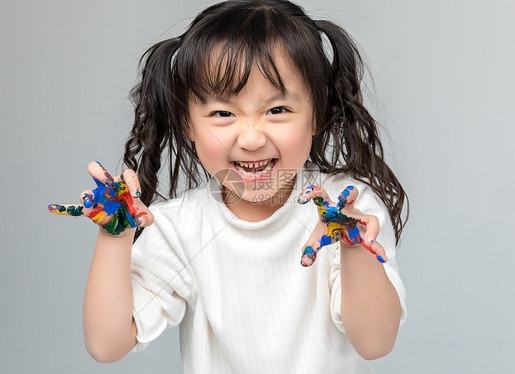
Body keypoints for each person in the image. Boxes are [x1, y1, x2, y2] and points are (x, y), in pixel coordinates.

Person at [49, 0, 409, 372]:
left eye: (277, 110)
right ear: (187, 123)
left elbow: (375, 343)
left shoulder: (346, 209)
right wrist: (114, 236)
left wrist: (354, 248)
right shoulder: (178, 227)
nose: (251, 138)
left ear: (317, 113)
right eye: (223, 113)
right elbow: (106, 345)